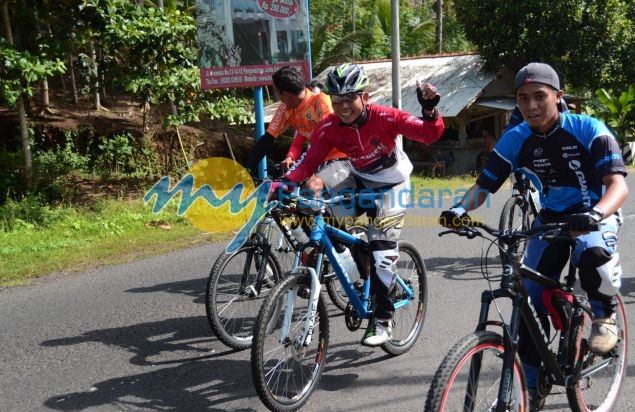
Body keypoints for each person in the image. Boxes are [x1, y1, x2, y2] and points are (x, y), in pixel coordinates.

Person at [439, 62, 628, 410]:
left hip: (593, 213)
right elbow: (484, 185)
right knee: (527, 297)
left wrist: (596, 214)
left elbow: (617, 185)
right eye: (523, 98)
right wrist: (459, 211)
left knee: (591, 254)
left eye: (540, 96)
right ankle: (531, 382)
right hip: (550, 219)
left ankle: (604, 316)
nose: (531, 105)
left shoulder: (589, 129)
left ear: (558, 96)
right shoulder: (517, 137)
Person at [276, 63, 445, 346]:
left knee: (382, 249)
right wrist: (285, 182)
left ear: (364, 97)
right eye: (338, 100)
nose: (343, 107)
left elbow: (428, 134)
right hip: (359, 180)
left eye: (350, 98)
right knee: (311, 209)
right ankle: (356, 260)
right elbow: (310, 162)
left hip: (393, 186)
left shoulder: (385, 117)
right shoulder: (330, 127)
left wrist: (429, 111)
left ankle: (382, 319)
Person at [245, 66, 347, 177]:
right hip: (318, 161)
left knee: (310, 187)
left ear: (285, 95)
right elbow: (268, 139)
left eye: (277, 93)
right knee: (281, 188)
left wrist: (301, 165)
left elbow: (328, 133)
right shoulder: (285, 108)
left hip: (341, 158)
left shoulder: (320, 100)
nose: (279, 98)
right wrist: (247, 170)